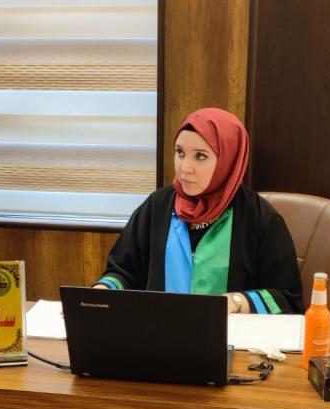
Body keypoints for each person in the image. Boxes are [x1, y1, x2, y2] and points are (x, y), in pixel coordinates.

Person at [94, 107, 303, 314]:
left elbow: (287, 298)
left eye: (200, 156)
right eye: (180, 153)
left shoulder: (259, 218)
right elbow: (123, 272)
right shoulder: (157, 206)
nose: (185, 168)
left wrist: (237, 302)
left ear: (228, 160)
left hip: (230, 334)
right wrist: (103, 290)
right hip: (158, 329)